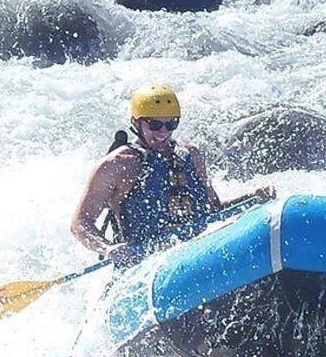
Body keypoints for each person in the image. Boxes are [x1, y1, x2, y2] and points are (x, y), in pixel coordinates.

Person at [71, 84, 275, 268]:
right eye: (155, 125)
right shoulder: (117, 165)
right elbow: (80, 223)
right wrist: (107, 248)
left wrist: (252, 199)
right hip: (144, 267)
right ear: (137, 123)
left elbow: (214, 208)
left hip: (198, 255)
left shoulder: (191, 155)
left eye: (171, 124)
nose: (163, 132)